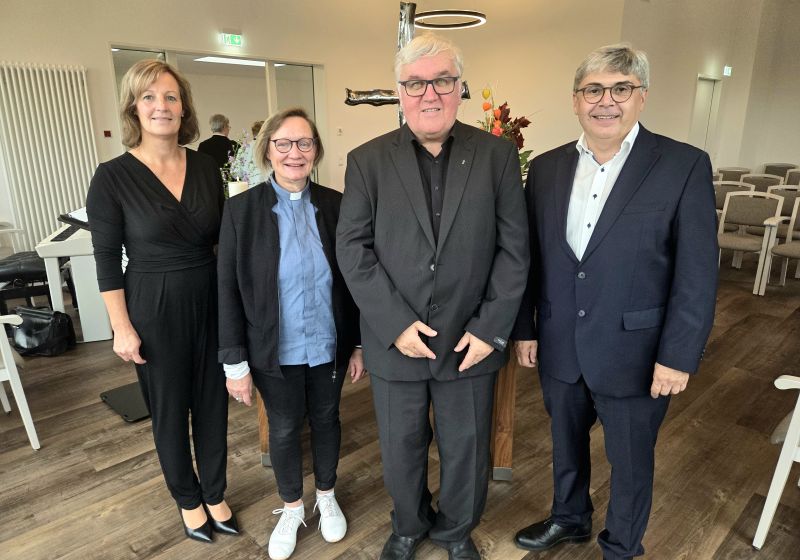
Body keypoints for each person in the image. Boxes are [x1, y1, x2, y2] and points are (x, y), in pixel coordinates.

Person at [511, 44, 718, 559]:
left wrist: (678, 355)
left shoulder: (682, 165)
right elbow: (530, 260)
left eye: (620, 89)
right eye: (593, 90)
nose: (606, 101)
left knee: (630, 459)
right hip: (560, 340)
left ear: (641, 97)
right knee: (566, 442)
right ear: (576, 100)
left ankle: (621, 546)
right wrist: (525, 328)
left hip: (638, 350)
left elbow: (697, 273)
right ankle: (569, 518)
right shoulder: (546, 169)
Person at [336, 34, 529, 560]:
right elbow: (353, 250)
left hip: (471, 338)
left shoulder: (497, 156)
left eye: (442, 81)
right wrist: (394, 324)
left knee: (466, 447)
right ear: (400, 93)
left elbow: (515, 251)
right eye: (416, 83)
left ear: (460, 88)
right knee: (401, 447)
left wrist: (491, 328)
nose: (430, 94)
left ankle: (454, 531)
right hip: (396, 338)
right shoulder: (367, 161)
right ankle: (407, 524)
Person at [86, 60, 237, 543]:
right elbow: (107, 260)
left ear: (184, 107)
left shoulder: (208, 166)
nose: (161, 106)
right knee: (170, 408)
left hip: (210, 296)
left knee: (214, 403)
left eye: (171, 97)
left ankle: (215, 491)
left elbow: (222, 241)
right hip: (152, 303)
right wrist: (121, 327)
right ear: (134, 106)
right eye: (149, 97)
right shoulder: (111, 177)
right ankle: (188, 499)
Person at [218, 107, 364, 560]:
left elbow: (355, 279)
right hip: (272, 350)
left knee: (326, 420)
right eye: (283, 143)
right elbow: (227, 287)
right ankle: (291, 507)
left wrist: (357, 342)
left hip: (328, 344)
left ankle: (325, 495)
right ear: (268, 150)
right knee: (282, 429)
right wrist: (234, 362)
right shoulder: (241, 210)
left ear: (316, 151)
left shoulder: (337, 205)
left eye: (304, 143)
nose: (294, 153)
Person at [229, 119, 266, 186]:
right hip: (266, 185)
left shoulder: (244, 148)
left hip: (248, 187)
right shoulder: (267, 147)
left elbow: (236, 172)